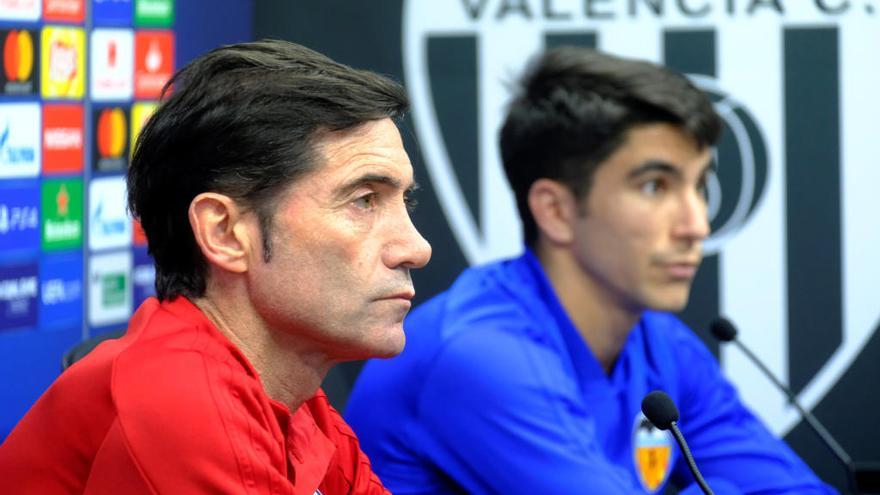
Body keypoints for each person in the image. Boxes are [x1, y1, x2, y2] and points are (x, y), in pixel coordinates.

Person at [345, 46, 835, 494]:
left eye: (700, 186)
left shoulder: (661, 342)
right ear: (555, 210)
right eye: (654, 187)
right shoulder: (476, 353)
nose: (697, 224)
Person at [0, 39, 431, 494]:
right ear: (224, 233)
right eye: (364, 201)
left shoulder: (297, 404)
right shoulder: (180, 406)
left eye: (405, 201)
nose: (416, 248)